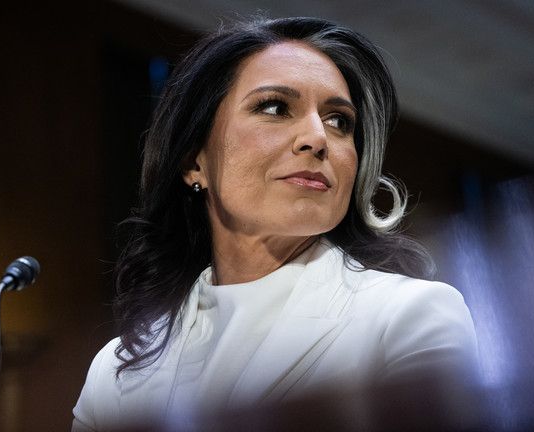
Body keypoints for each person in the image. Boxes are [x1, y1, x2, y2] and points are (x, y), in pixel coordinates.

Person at [73, 16, 480, 431]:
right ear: (194, 161)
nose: (317, 138)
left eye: (339, 121)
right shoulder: (115, 371)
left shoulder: (410, 316)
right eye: (275, 107)